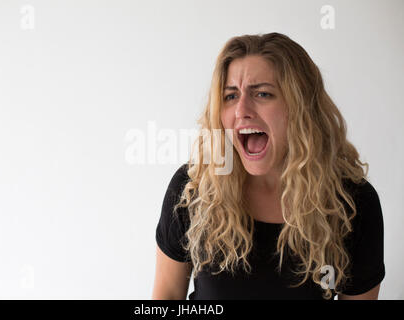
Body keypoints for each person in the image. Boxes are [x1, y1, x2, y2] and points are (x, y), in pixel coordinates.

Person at [152, 33, 385, 300]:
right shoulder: (191, 187)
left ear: (301, 108)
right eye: (230, 96)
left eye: (262, 93)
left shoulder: (353, 203)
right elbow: (168, 295)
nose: (242, 110)